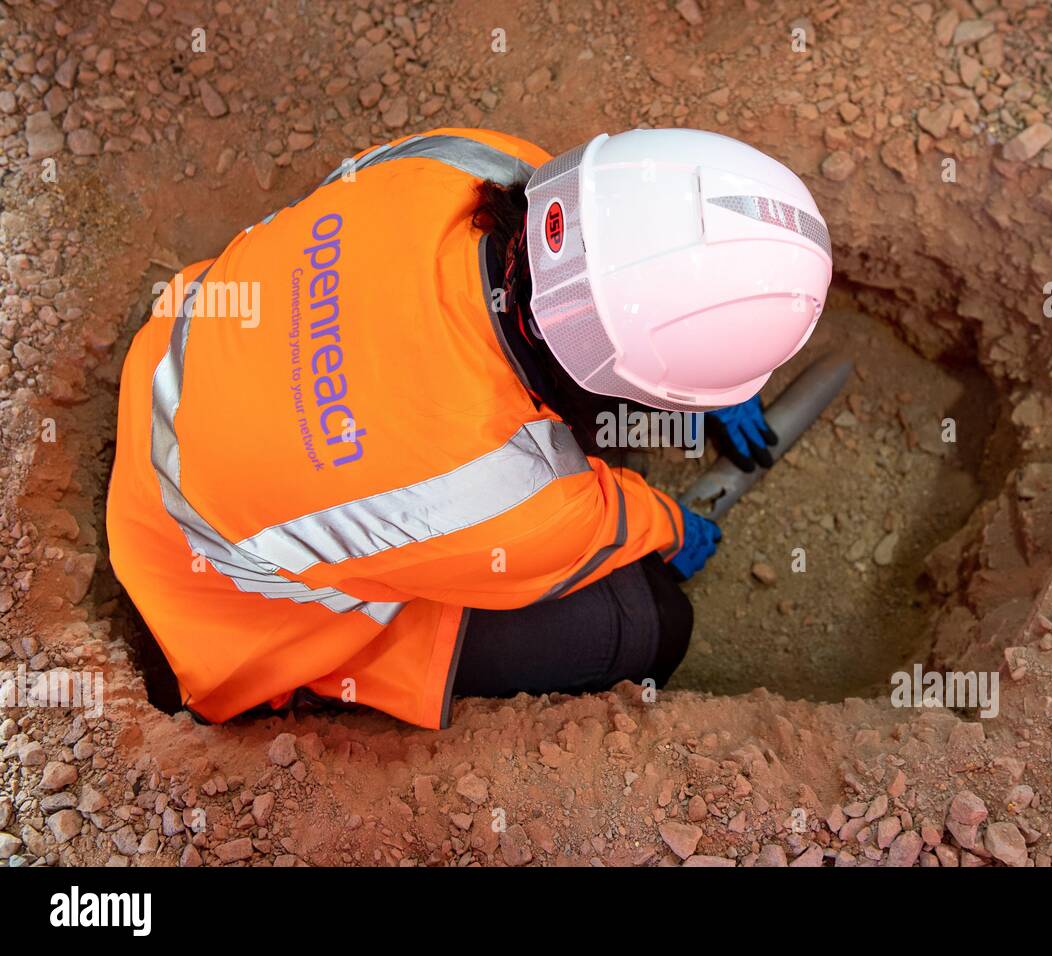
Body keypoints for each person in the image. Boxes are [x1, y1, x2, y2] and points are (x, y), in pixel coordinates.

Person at [106, 127, 832, 728]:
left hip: (179, 366)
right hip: (211, 603)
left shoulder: (469, 157)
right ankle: (304, 694)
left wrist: (682, 383)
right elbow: (608, 524)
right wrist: (674, 526)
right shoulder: (507, 502)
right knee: (653, 620)